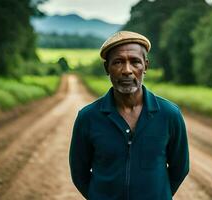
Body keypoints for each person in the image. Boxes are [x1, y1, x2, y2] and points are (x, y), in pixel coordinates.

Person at [69, 31, 189, 200]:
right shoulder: (88, 117)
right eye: (118, 62)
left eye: (134, 62)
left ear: (145, 66)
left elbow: (180, 168)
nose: (127, 70)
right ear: (107, 68)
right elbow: (79, 173)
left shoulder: (170, 114)